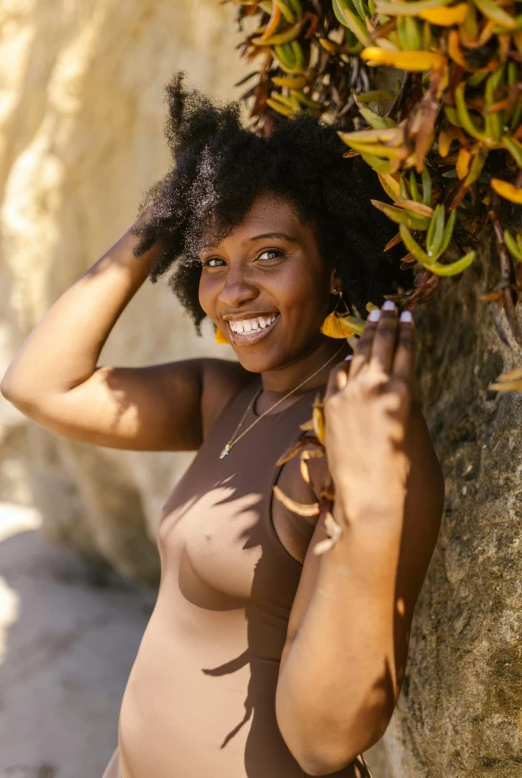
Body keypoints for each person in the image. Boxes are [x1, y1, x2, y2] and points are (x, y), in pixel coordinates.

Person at [0, 74, 444, 778]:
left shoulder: (352, 428)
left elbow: (322, 741)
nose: (233, 289)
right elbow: (38, 383)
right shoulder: (226, 398)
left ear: (334, 268)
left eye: (270, 253)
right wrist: (164, 216)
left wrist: (372, 507)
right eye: (212, 260)